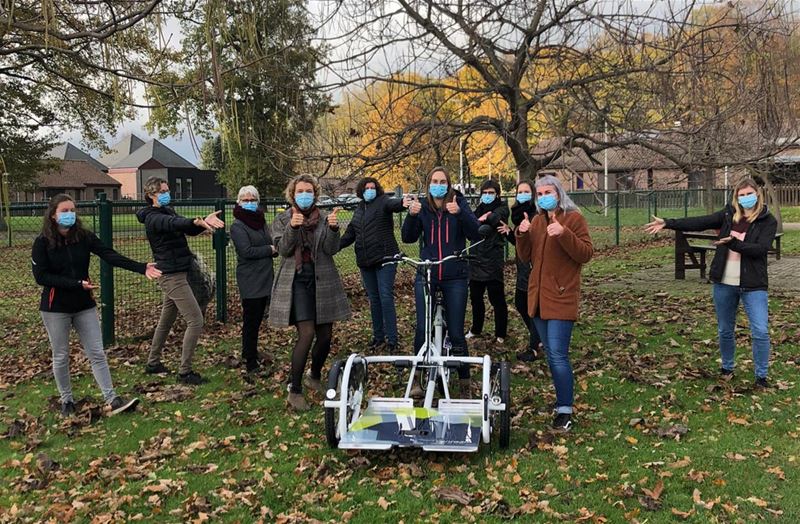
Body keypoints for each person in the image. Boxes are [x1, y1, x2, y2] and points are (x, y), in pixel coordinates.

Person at [32, 194, 161, 416]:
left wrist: (141, 267)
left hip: (84, 305)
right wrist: (74, 284)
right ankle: (67, 401)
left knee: (97, 353)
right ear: (53, 215)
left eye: (72, 210)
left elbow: (109, 255)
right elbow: (41, 276)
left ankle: (112, 398)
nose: (70, 214)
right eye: (64, 211)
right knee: (61, 355)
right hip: (56, 308)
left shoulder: (83, 237)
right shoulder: (42, 243)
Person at [644, 177, 777, 388]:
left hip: (753, 284)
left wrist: (735, 244)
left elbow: (761, 249)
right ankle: (727, 368)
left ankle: (761, 376)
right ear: (736, 197)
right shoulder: (727, 215)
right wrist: (668, 223)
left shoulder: (767, 220)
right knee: (725, 329)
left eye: (749, 194)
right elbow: (701, 221)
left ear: (757, 194)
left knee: (760, 330)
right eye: (741, 195)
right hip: (724, 282)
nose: (745, 198)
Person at [515, 174, 593, 431]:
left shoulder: (574, 218)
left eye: (548, 192)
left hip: (561, 296)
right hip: (538, 299)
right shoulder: (536, 220)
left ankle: (565, 410)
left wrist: (563, 233)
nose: (543, 197)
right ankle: (561, 400)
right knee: (550, 354)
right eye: (540, 194)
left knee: (558, 355)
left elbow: (585, 254)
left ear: (559, 194)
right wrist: (522, 234)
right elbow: (525, 257)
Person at [269, 174, 351, 411]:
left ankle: (313, 376)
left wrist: (334, 230)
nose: (304, 195)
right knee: (306, 333)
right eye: (300, 191)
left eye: (309, 191)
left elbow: (331, 249)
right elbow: (283, 249)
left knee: (325, 336)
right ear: (292, 194)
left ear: (315, 194)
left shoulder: (325, 218)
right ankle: (294, 390)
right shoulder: (283, 219)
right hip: (296, 280)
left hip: (323, 280)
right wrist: (293, 228)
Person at [136, 176, 225, 385]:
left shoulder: (167, 211)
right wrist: (194, 221)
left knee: (166, 320)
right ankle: (185, 372)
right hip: (171, 276)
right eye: (163, 191)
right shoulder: (153, 217)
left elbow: (183, 227)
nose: (168, 194)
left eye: (168, 190)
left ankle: (153, 362)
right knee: (195, 320)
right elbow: (173, 223)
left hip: (179, 271)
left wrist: (201, 224)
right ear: (151, 195)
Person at [402, 166, 482, 394]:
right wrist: (412, 215)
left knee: (456, 332)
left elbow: (475, 232)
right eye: (434, 181)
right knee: (422, 329)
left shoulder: (458, 203)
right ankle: (416, 378)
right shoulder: (423, 206)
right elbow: (408, 237)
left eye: (442, 181)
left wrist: (460, 213)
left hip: (455, 275)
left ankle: (464, 381)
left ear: (449, 184)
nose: (438, 184)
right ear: (429, 184)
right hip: (427, 274)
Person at [339, 177, 406, 352]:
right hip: (365, 261)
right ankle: (378, 337)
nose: (370, 190)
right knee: (374, 300)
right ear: (361, 191)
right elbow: (350, 235)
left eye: (373, 187)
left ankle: (392, 339)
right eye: (367, 187)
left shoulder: (383, 201)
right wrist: (333, 247)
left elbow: (394, 204)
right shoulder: (359, 209)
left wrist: (404, 202)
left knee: (385, 297)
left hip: (385, 258)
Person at [230, 185, 277, 379]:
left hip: (266, 276)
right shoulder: (237, 226)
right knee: (251, 321)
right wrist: (270, 250)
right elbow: (246, 251)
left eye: (252, 199)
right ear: (239, 202)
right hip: (250, 279)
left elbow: (271, 241)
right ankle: (250, 360)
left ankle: (251, 352)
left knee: (258, 320)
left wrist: (273, 248)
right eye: (245, 200)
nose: (249, 203)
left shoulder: (261, 221)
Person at [497, 180, 543, 361]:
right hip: (522, 266)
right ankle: (539, 338)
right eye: (520, 191)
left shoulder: (536, 214)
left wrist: (528, 231)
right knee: (521, 302)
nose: (522, 194)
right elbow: (519, 242)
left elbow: (535, 241)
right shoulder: (518, 215)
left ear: (532, 194)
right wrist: (510, 232)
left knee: (530, 306)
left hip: (532, 266)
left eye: (526, 191)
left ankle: (535, 346)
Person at [465, 179, 509, 344]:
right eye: (485, 193)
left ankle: (501, 333)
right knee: (476, 297)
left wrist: (489, 216)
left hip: (492, 260)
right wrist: (481, 218)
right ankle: (476, 329)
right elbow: (472, 228)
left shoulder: (503, 208)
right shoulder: (478, 209)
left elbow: (494, 220)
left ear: (497, 194)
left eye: (491, 193)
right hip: (476, 259)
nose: (488, 195)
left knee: (496, 298)